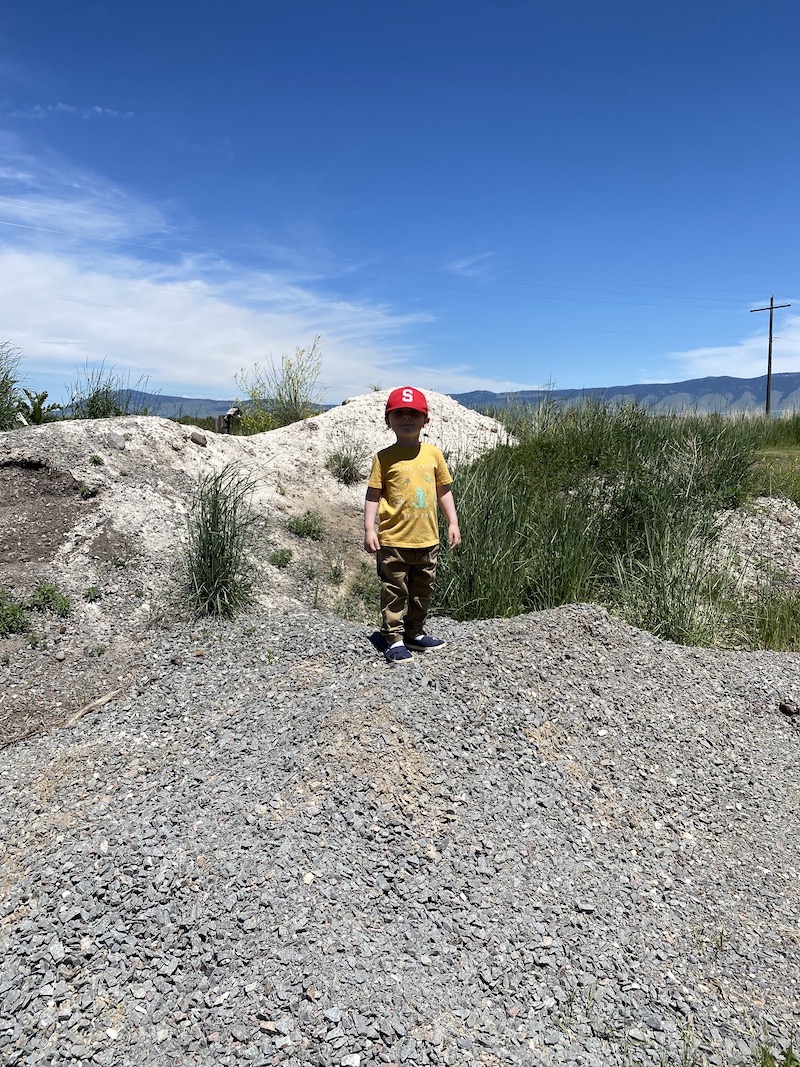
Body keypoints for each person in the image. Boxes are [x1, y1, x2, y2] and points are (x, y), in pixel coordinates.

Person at [364, 386, 461, 663]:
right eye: (399, 413)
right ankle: (392, 638)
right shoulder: (383, 457)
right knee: (394, 590)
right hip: (393, 540)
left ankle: (414, 632)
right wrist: (370, 529)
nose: (407, 418)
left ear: (425, 420)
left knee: (423, 589)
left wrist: (452, 522)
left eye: (413, 413)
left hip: (427, 539)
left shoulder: (433, 454)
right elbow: (373, 494)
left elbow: (444, 491)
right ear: (388, 421)